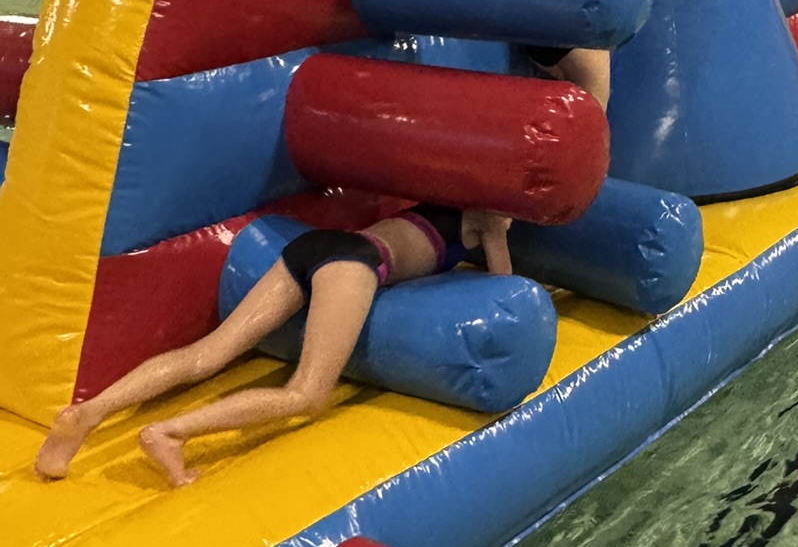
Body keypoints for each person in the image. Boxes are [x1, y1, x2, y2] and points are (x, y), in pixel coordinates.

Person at [34, 204, 513, 488]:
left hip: (314, 246)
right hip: (355, 264)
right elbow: (503, 289)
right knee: (306, 395)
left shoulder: (442, 193)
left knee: (210, 352)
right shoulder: (489, 211)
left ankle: (89, 413)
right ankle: (173, 433)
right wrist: (500, 231)